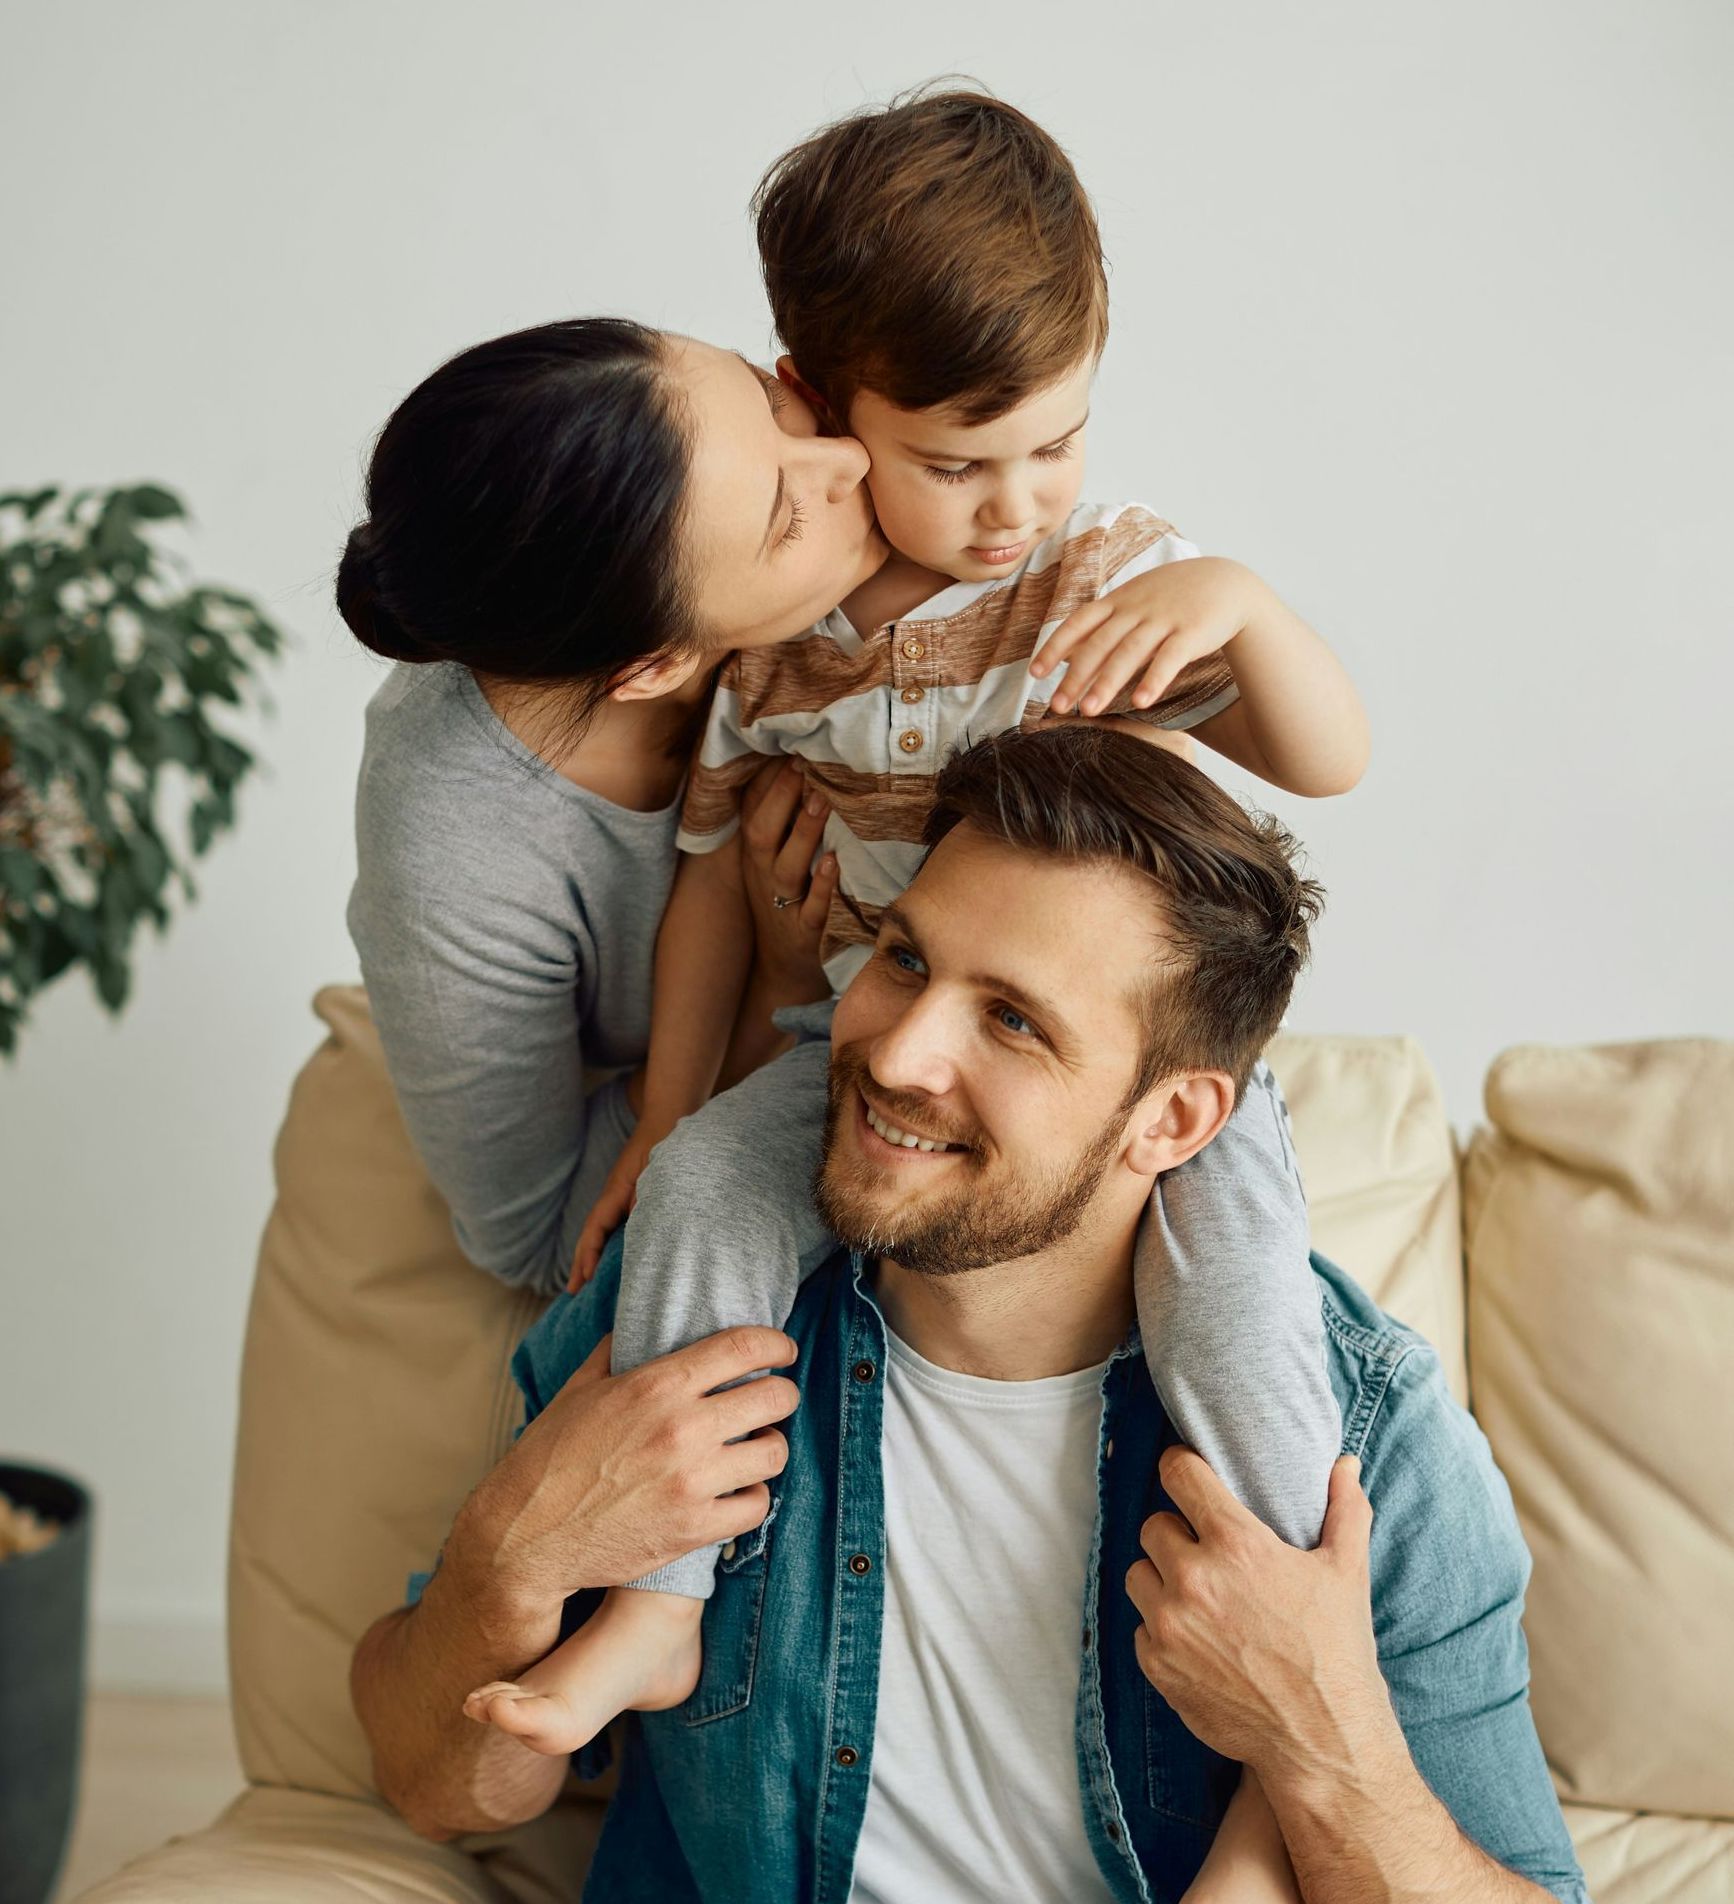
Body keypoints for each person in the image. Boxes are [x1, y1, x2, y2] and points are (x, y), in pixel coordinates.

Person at [534, 92, 1368, 1856]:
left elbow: (1328, 756)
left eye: (1049, 446)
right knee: (692, 1187)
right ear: (826, 407)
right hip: (842, 1061)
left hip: (1106, 1082)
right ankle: (662, 1600)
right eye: (957, 462)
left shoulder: (1096, 579)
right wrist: (663, 1110)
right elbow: (699, 891)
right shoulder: (772, 642)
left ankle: (1302, 1644)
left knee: (1238, 1301)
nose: (1010, 509)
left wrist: (1238, 601)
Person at [352, 727, 1589, 1904]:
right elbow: (439, 1788)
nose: (897, 1055)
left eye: (1012, 1020)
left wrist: (1323, 1742)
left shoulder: (1367, 1450)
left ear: (1173, 1121)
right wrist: (511, 1556)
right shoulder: (690, 1314)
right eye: (904, 959)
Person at [340, 316, 883, 1299]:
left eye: (771, 400)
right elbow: (539, 1240)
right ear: (657, 665)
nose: (849, 456)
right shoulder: (457, 855)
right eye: (785, 518)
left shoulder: (730, 494)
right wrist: (774, 981)